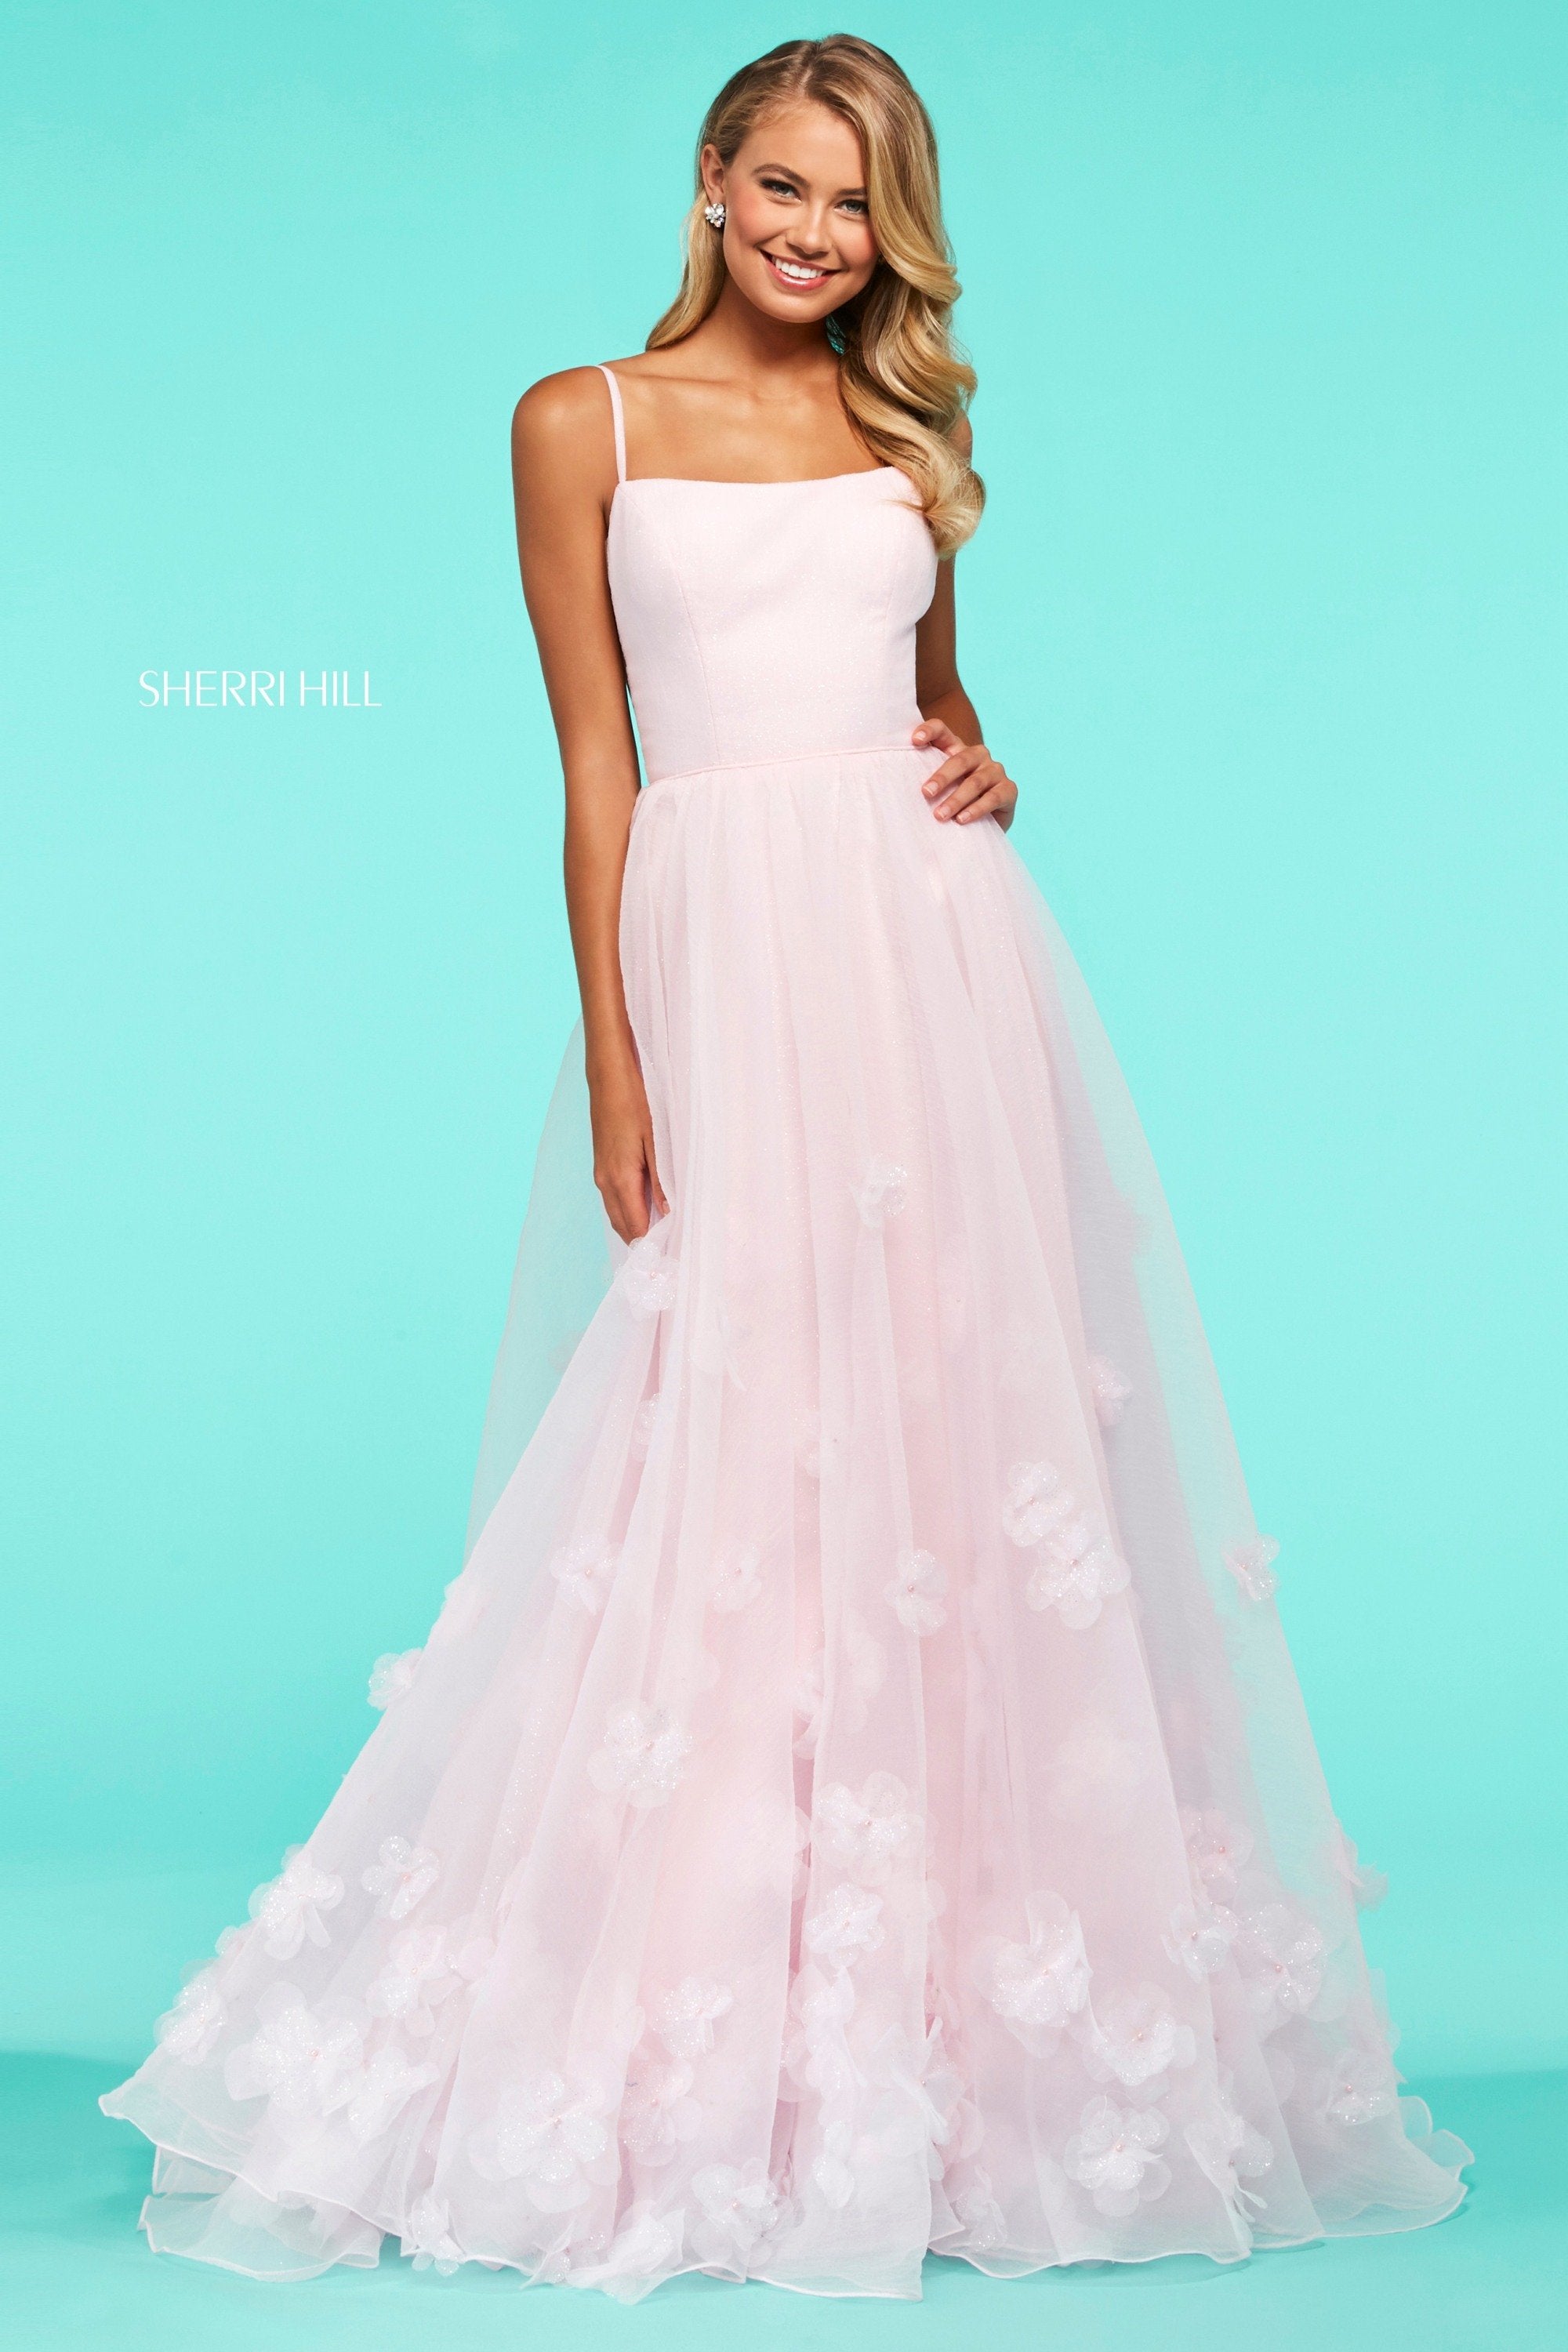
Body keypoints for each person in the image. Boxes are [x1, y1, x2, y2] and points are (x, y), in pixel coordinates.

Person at [101, 34, 1468, 2301]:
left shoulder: (901, 435)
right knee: (727, 1433)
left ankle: (936, 2049)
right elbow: (597, 760)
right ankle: (686, 2015)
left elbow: (941, 707)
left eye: (861, 203)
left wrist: (984, 768)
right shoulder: (582, 421)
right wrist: (615, 1057)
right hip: (725, 958)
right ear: (712, 183)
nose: (820, 236)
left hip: (937, 967)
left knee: (944, 1441)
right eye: (788, 187)